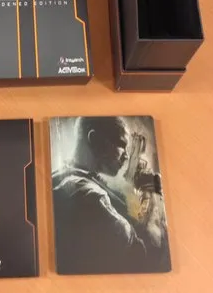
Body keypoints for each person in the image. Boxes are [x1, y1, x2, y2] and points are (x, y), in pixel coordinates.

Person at [52, 116, 169, 274]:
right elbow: (142, 255)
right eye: (121, 144)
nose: (126, 157)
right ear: (95, 140)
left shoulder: (60, 177)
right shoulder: (91, 196)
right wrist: (153, 196)